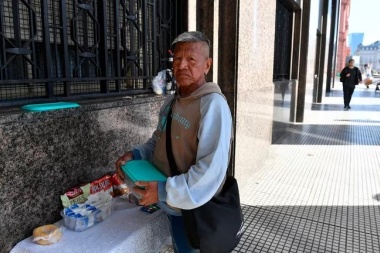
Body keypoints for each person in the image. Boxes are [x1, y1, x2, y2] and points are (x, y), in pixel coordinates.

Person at [116, 31, 233, 253]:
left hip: (196, 210)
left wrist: (162, 191)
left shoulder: (213, 106)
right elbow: (157, 141)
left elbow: (210, 171)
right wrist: (135, 155)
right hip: (174, 205)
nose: (182, 66)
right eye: (177, 59)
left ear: (207, 65)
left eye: (191, 59)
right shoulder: (171, 103)